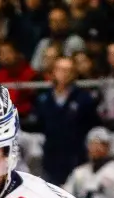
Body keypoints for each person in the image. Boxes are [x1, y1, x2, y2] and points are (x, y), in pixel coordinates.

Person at [31, 55, 98, 186]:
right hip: (51, 157)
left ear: (74, 73)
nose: (64, 74)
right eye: (61, 69)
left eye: (69, 70)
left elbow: (92, 125)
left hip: (76, 157)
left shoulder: (84, 99)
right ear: (53, 72)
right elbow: (39, 124)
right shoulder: (43, 98)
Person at [62, 127, 114, 198]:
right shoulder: (79, 173)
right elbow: (66, 197)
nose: (96, 148)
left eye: (101, 144)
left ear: (108, 147)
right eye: (92, 144)